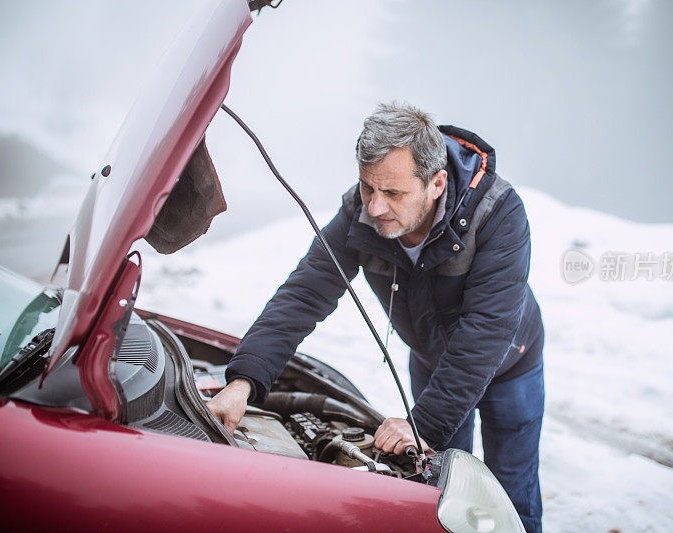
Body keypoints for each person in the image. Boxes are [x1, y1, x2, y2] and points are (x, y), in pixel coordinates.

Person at [207, 102, 545, 532]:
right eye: (368, 187)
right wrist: (244, 380)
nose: (377, 207)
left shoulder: (498, 213)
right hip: (431, 361)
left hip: (510, 364)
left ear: (437, 183)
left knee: (508, 494)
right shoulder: (360, 213)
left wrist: (423, 426)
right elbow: (305, 293)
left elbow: (487, 330)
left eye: (394, 193)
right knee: (442, 492)